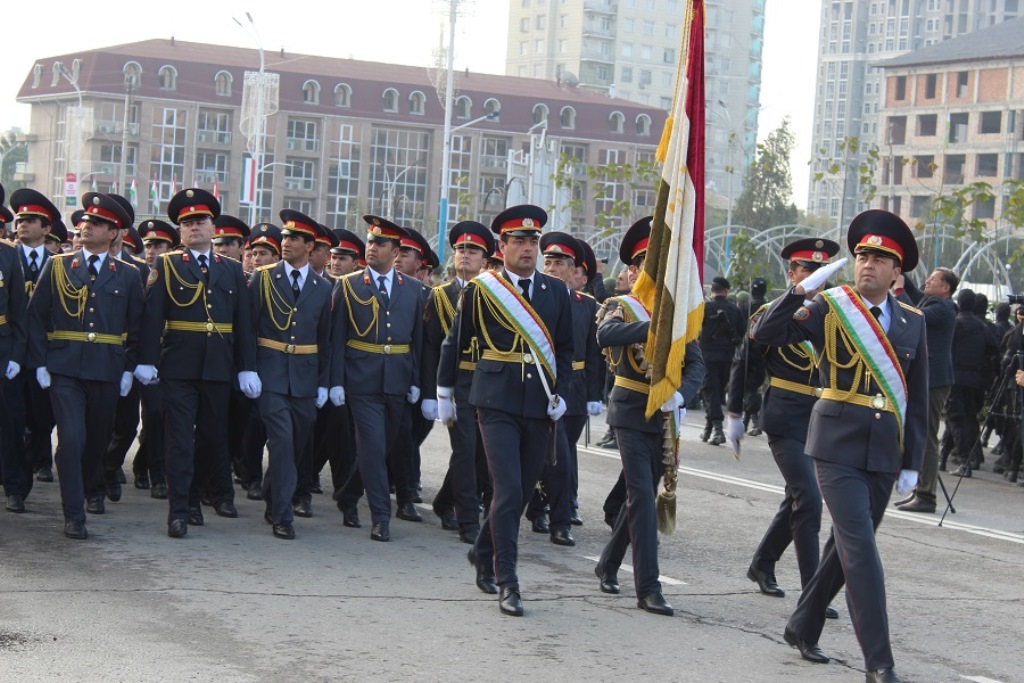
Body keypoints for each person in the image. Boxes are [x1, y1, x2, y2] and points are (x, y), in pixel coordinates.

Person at [753, 209, 927, 683]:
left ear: (897, 272)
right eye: (863, 256)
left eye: (880, 259)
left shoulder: (912, 321)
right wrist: (800, 292)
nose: (868, 264)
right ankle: (879, 662)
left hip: (884, 450)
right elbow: (766, 334)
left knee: (843, 551)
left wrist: (913, 461)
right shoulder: (831, 307)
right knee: (861, 549)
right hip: (835, 443)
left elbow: (918, 395)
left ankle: (801, 625)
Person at [437, 205, 573, 617]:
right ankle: (508, 581)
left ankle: (482, 551)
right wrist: (443, 391)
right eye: (519, 241)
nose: (528, 248)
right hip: (494, 400)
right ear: (503, 245)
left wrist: (560, 393)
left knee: (522, 490)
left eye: (533, 241)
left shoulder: (556, 291)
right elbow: (455, 342)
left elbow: (565, 350)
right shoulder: (482, 289)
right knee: (508, 489)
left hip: (539, 404)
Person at [593, 216, 703, 617]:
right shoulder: (621, 306)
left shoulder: (679, 315)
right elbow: (605, 335)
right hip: (630, 410)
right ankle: (649, 588)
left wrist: (681, 395)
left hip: (663, 416)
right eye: (647, 267)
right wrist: (653, 327)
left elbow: (697, 365)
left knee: (638, 496)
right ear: (635, 271)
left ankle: (608, 563)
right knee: (641, 496)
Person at [726, 238, 840, 617]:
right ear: (792, 274)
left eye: (820, 271)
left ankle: (763, 562)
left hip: (820, 417)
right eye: (807, 270)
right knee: (808, 498)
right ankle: (813, 592)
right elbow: (745, 364)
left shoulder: (832, 315)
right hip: (785, 414)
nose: (815, 277)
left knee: (797, 496)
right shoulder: (770, 314)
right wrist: (734, 413)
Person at [136, 188, 256, 538]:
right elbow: (152, 316)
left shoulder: (231, 269)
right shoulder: (167, 264)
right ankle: (178, 511)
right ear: (180, 230)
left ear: (212, 227)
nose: (194, 227)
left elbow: (243, 323)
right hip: (178, 366)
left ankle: (192, 495)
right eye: (187, 223)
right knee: (178, 440)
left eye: (200, 221)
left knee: (212, 439)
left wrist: (246, 366)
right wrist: (147, 361)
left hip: (218, 366)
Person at [26, 193, 144, 539]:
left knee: (95, 440)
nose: (86, 227)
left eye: (97, 224)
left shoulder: (128, 274)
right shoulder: (58, 265)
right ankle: (74, 513)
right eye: (85, 223)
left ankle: (94, 487)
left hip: (106, 368)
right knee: (71, 439)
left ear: (113, 233)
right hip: (64, 367)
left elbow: (137, 327)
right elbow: (36, 316)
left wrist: (129, 367)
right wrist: (40, 361)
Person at [328, 215, 423, 542]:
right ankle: (381, 516)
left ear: (395, 251)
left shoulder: (413, 289)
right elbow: (337, 338)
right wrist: (336, 381)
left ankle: (347, 495)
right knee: (372, 445)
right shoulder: (348, 285)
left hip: (397, 378)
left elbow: (417, 340)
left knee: (380, 449)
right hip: (360, 378)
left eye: (380, 243)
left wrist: (416, 380)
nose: (372, 247)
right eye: (370, 241)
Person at [248, 212, 333, 540]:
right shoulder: (263, 278)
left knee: (295, 446)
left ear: (309, 247)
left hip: (305, 378)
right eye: (284, 237)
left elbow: (325, 340)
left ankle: (274, 496)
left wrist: (323, 383)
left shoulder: (323, 287)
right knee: (282, 440)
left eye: (294, 239)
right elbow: (249, 327)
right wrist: (248, 369)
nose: (285, 243)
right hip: (270, 373)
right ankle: (283, 515)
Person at [421, 221, 495, 544]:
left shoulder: (494, 295)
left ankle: (443, 501)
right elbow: (430, 348)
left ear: (485, 260)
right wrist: (433, 392)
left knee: (481, 453)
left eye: (473, 251)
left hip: (489, 382)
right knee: (465, 450)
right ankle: (468, 521)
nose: (465, 255)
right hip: (457, 381)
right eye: (460, 250)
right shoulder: (439, 296)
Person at [892, 268, 957, 512]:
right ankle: (919, 488)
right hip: (929, 379)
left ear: (945, 288)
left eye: (933, 279)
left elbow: (913, 315)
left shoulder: (943, 307)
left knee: (927, 437)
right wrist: (898, 267)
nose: (927, 281)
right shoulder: (932, 301)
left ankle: (927, 496)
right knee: (918, 433)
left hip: (934, 381)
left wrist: (898, 289)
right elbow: (915, 293)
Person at [9, 189, 58, 488]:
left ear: (46, 228)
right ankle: (19, 472)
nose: (23, 224)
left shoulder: (59, 263)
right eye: (20, 220)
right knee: (15, 415)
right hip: (11, 347)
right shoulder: (7, 256)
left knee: (43, 414)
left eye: (31, 220)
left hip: (45, 350)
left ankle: (41, 457)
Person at [0, 186, 29, 513]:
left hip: (2, 345)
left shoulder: (9, 255)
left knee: (10, 421)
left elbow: (20, 310)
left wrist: (17, 356)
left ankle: (15, 487)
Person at [699, 276, 745, 445]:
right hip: (728, 357)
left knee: (709, 391)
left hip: (708, 356)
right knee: (717, 393)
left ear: (713, 290)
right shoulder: (735, 309)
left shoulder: (704, 308)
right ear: (726, 291)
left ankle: (717, 430)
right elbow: (742, 331)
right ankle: (709, 428)